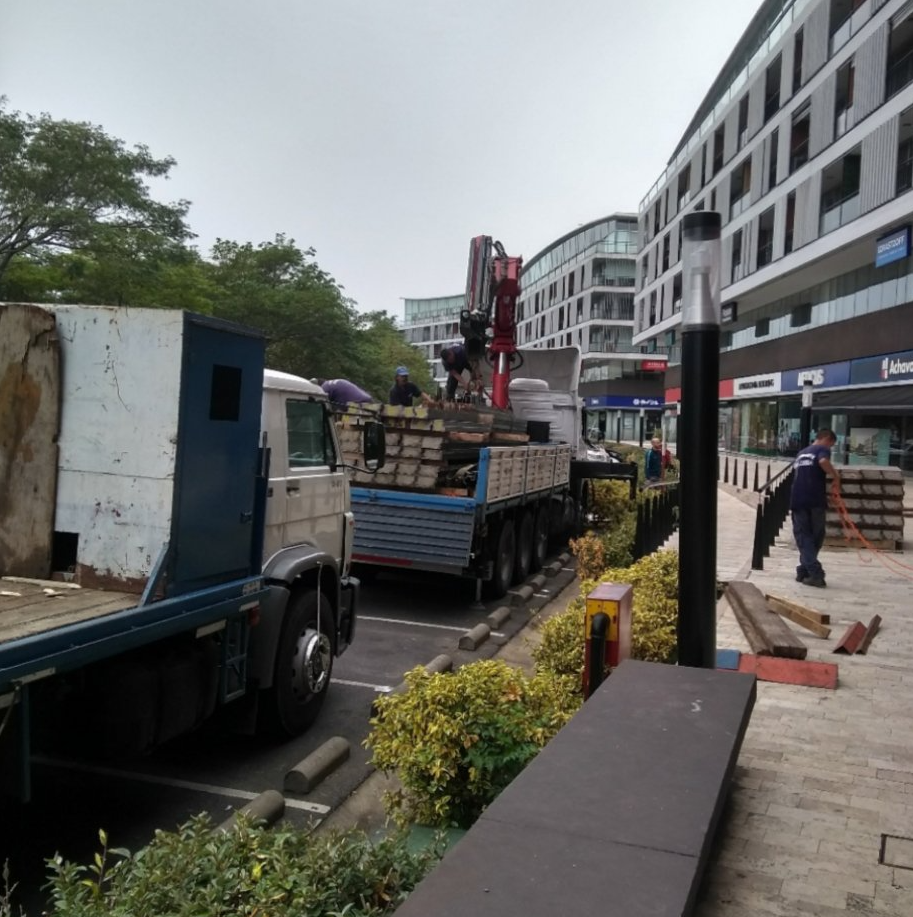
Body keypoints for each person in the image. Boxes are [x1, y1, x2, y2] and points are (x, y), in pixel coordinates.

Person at [790, 428, 840, 588]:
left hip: (798, 499)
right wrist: (836, 476)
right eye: (831, 444)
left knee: (805, 537)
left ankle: (803, 570)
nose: (830, 448)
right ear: (826, 439)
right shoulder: (822, 449)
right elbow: (823, 462)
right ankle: (816, 573)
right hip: (815, 500)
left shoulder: (802, 453)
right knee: (815, 536)